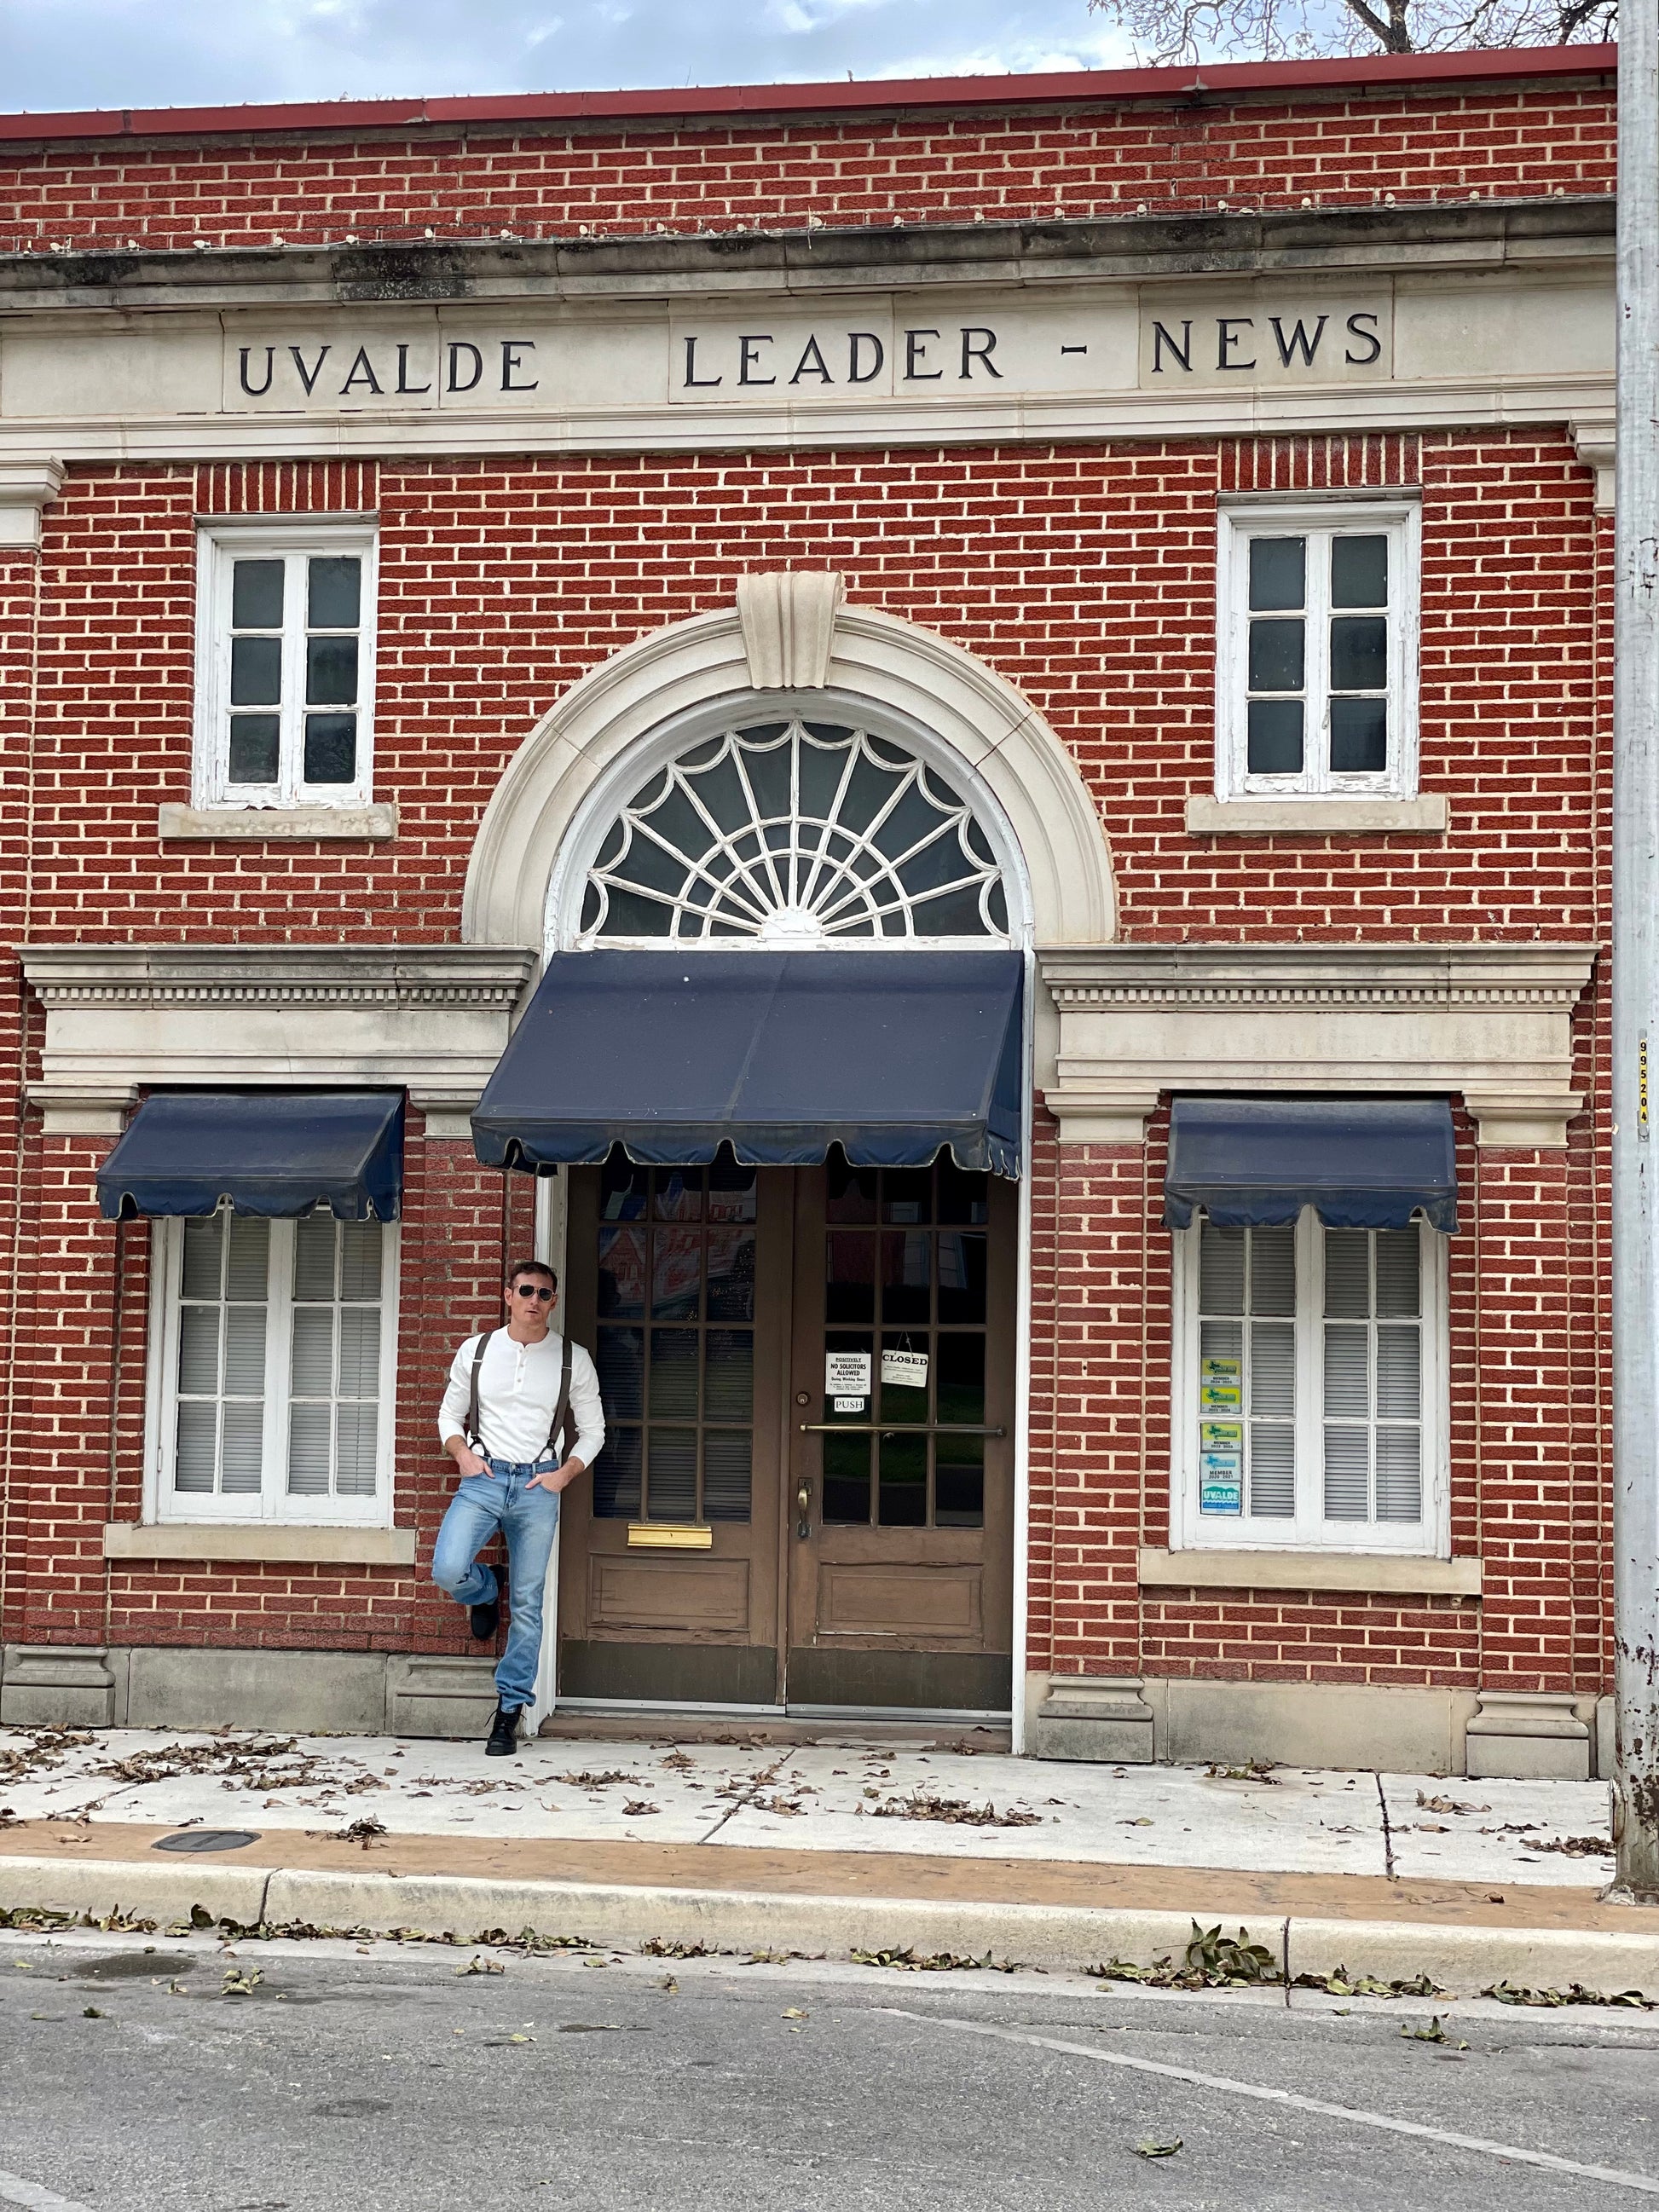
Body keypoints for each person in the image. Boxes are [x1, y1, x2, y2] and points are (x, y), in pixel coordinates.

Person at [434, 1258, 605, 1756]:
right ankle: (485, 1588)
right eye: (526, 1290)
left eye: (545, 1294)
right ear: (508, 1295)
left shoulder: (572, 1358)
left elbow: (593, 1431)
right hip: (484, 1478)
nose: (535, 1300)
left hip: (537, 1487)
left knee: (528, 1605)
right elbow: (449, 1414)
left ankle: (509, 1710)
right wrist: (462, 1455)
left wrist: (562, 1476)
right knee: (447, 1569)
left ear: (553, 1301)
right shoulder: (478, 1350)